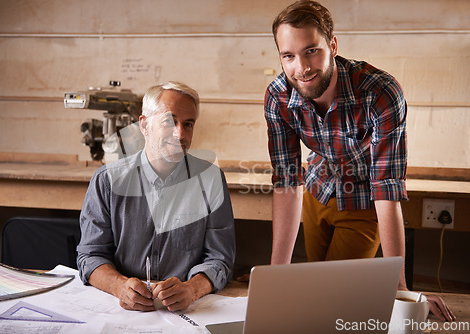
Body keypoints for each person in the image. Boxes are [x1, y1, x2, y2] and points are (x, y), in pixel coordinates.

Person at [264, 0, 454, 321]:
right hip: (316, 190)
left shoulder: (380, 93)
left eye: (312, 50)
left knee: (338, 297)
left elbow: (386, 189)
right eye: (289, 56)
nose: (303, 67)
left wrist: (401, 290)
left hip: (364, 201)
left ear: (333, 45)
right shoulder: (279, 96)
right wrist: (273, 277)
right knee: (315, 285)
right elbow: (287, 182)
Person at [77, 81, 236, 312]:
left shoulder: (210, 180)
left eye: (188, 124)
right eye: (169, 121)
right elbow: (90, 257)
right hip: (120, 311)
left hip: (187, 313)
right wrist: (119, 286)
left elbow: (220, 260)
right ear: (144, 125)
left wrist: (191, 289)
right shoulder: (107, 181)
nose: (180, 133)